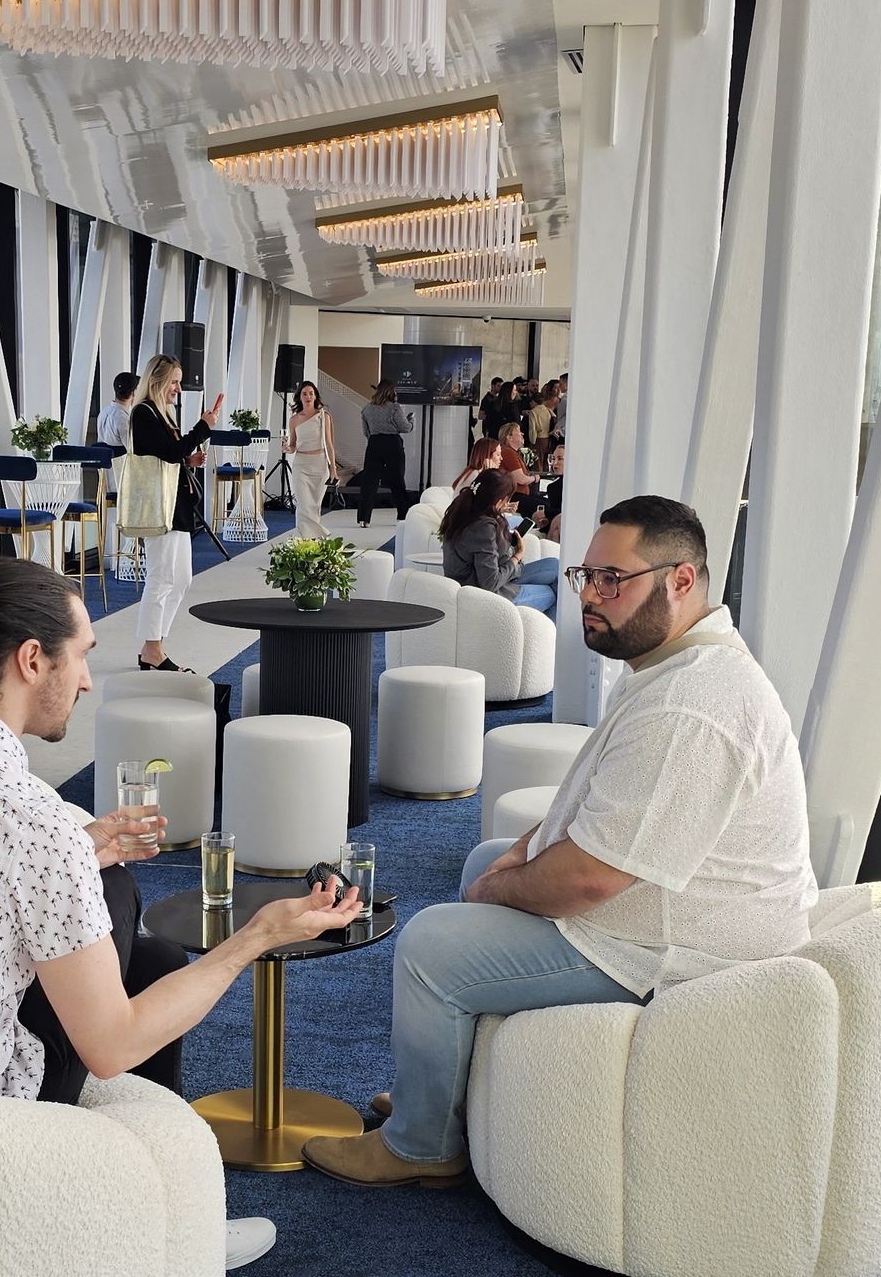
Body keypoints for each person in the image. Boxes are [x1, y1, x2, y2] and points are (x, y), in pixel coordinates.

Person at [0, 556, 360, 1269]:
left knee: (151, 958)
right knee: (120, 911)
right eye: (82, 656)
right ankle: (171, 1238)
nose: (87, 680)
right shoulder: (28, 819)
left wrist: (78, 851)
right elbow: (110, 1049)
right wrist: (256, 937)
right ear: (32, 660)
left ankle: (168, 1202)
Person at [303, 495, 818, 1187]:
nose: (591, 598)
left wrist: (505, 885)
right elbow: (606, 811)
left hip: (682, 951)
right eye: (587, 577)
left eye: (615, 580)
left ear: (683, 581)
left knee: (430, 945)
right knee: (488, 859)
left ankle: (422, 1146)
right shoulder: (678, 667)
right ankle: (442, 1091)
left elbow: (588, 881)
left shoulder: (691, 705)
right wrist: (523, 854)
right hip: (673, 913)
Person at [126, 353, 220, 671]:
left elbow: (168, 457)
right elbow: (167, 453)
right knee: (162, 577)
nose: (178, 389)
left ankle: (154, 644)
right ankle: (153, 650)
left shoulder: (160, 413)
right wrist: (202, 429)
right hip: (160, 509)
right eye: (174, 382)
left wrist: (187, 460)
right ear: (158, 381)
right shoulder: (143, 413)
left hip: (175, 506)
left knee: (181, 579)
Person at [438, 470, 554, 616]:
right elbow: (489, 583)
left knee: (555, 566)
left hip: (482, 581)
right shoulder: (483, 526)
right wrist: (517, 556)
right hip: (482, 595)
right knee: (551, 593)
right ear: (499, 501)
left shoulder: (463, 512)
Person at [356, 380, 415, 526]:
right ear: (391, 392)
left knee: (369, 482)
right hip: (392, 444)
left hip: (374, 444)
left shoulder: (367, 409)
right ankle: (403, 516)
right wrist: (411, 421)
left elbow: (366, 432)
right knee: (397, 481)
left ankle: (364, 518)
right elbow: (405, 427)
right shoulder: (395, 408)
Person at [286, 380, 337, 540]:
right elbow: (293, 445)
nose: (308, 396)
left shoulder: (323, 416)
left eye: (311, 393)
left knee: (314, 506)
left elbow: (329, 444)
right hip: (301, 465)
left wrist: (333, 469)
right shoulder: (294, 420)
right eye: (304, 393)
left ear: (315, 396)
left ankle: (312, 541)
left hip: (320, 465)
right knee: (303, 505)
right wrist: (288, 449)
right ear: (299, 397)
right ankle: (307, 538)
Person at [97, 371, 138, 452]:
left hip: (103, 462)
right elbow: (132, 450)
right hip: (119, 463)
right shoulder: (124, 419)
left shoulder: (103, 412)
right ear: (133, 392)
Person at [538, 439, 566, 541]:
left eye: (560, 459)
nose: (555, 463)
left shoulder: (579, 486)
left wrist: (546, 513)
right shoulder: (553, 488)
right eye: (553, 459)